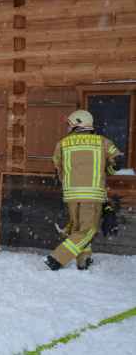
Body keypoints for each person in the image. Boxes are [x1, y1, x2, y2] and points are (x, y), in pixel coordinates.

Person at [44, 110, 121, 271]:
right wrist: (106, 169)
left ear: (76, 124)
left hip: (71, 194)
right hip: (92, 195)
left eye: (69, 124)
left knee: (78, 228)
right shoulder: (103, 142)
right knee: (88, 230)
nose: (68, 127)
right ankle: (57, 258)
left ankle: (83, 261)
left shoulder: (62, 144)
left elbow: (58, 167)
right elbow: (116, 164)